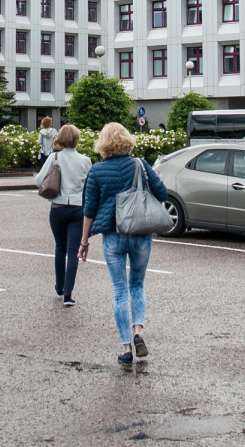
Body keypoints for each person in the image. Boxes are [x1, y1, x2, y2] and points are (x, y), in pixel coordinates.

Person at [79, 122, 167, 364]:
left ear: (103, 143)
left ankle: (126, 348)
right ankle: (138, 331)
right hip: (140, 233)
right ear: (127, 140)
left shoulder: (96, 171)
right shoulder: (141, 165)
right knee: (137, 285)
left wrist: (84, 241)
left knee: (119, 291)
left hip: (113, 236)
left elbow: (89, 209)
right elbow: (163, 194)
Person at [35, 124, 89, 307]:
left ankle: (59, 287)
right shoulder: (85, 160)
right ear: (76, 139)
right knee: (73, 252)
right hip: (78, 208)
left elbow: (38, 180)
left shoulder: (54, 157)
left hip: (57, 208)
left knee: (60, 248)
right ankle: (68, 294)